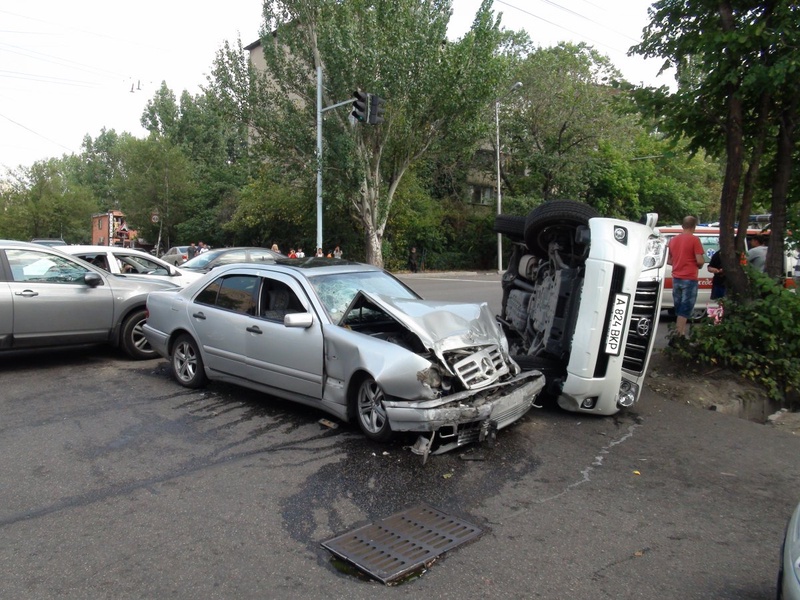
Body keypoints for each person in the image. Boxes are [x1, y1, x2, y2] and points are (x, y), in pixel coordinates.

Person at [667, 215, 705, 338]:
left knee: (679, 308)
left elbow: (669, 261)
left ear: (682, 226)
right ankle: (678, 335)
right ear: (694, 227)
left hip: (676, 278)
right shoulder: (695, 240)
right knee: (686, 308)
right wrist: (699, 264)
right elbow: (699, 261)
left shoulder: (672, 240)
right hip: (689, 277)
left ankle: (681, 333)